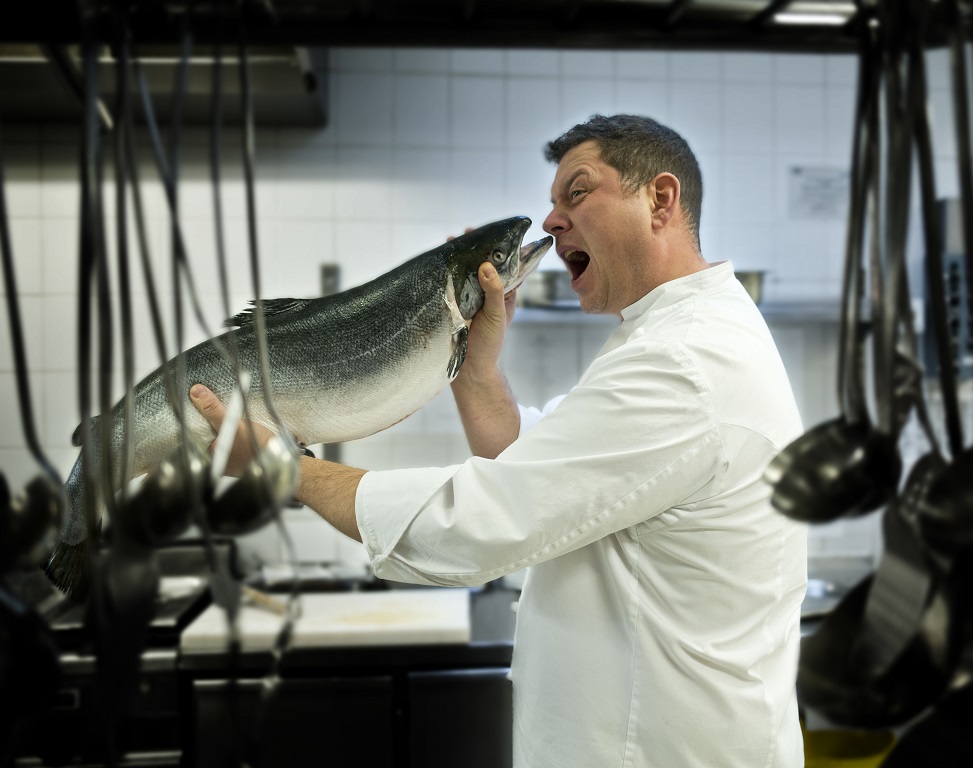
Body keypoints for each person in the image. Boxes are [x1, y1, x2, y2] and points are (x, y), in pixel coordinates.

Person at [190, 114, 808, 767]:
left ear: (660, 199)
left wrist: (285, 468)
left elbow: (478, 524)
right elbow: (534, 465)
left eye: (577, 192)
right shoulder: (672, 337)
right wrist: (472, 362)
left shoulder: (685, 362)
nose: (551, 222)